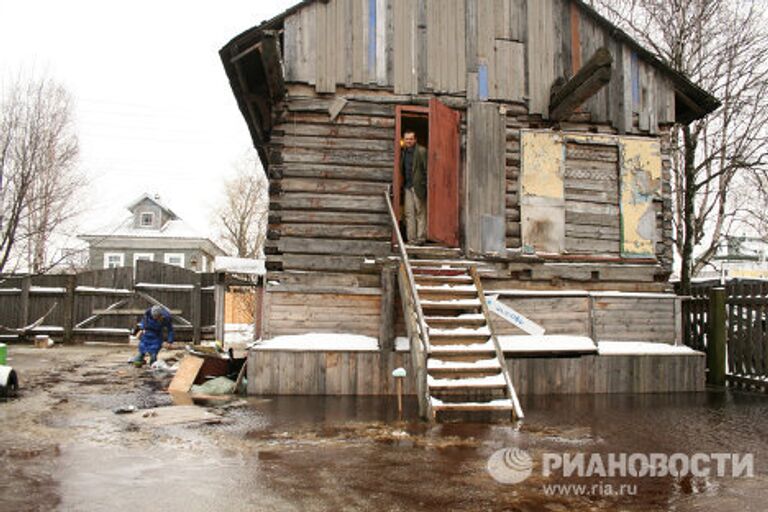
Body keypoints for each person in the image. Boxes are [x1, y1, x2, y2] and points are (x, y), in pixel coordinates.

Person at [401, 130, 428, 244]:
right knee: (409, 213)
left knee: (420, 212)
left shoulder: (422, 151)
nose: (408, 141)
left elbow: (427, 169)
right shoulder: (403, 152)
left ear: (415, 140)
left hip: (418, 186)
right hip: (407, 186)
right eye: (406, 139)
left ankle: (421, 238)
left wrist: (426, 185)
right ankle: (411, 238)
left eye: (411, 139)